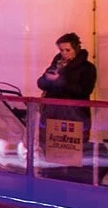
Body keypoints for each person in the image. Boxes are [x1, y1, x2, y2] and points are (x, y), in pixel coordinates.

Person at [37, 33, 98, 183]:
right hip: (52, 114)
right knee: (50, 150)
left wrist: (59, 80)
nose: (64, 54)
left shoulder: (87, 68)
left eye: (67, 50)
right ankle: (50, 180)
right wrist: (47, 78)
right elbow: (40, 83)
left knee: (73, 153)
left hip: (74, 116)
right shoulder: (56, 64)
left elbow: (84, 91)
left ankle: (72, 184)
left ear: (76, 49)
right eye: (61, 50)